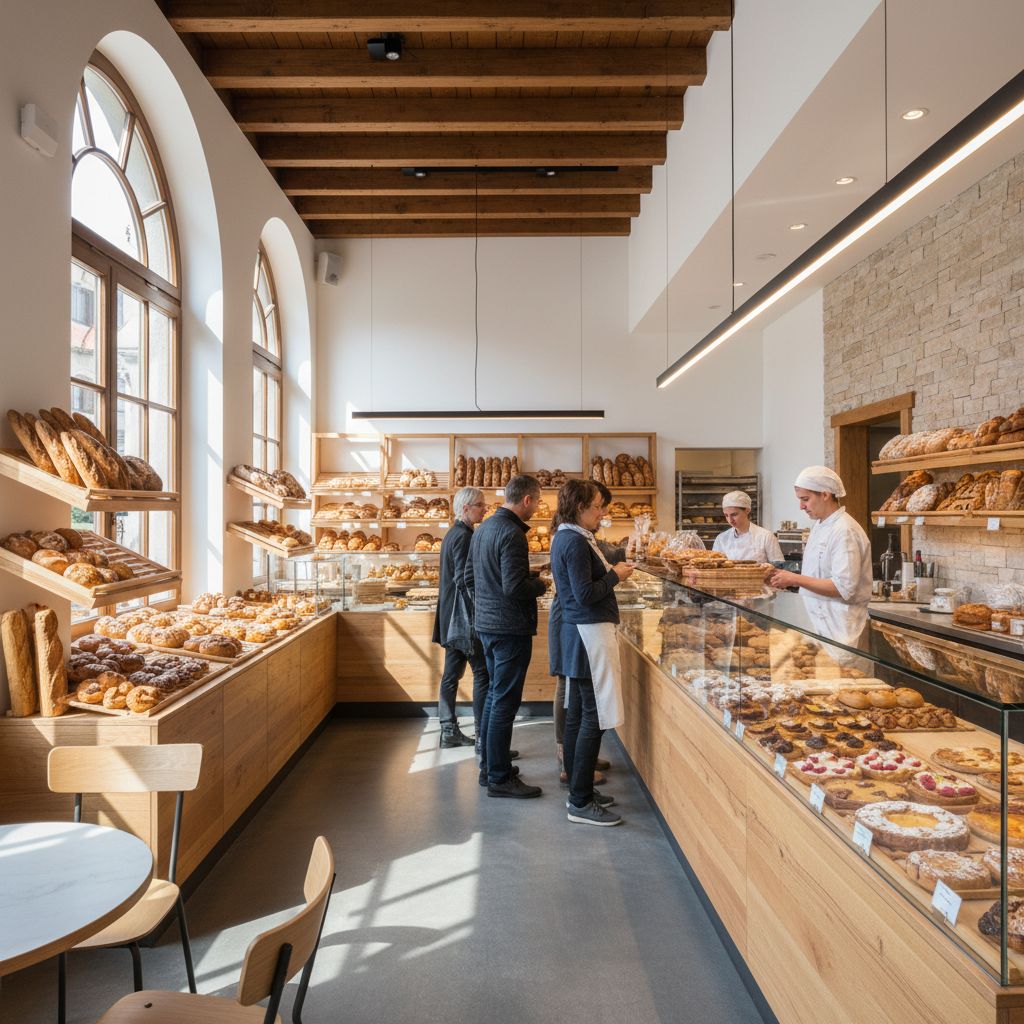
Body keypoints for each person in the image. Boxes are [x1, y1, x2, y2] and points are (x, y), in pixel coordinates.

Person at [550, 479, 634, 826]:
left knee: (579, 714)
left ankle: (580, 788)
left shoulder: (571, 537)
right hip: (587, 634)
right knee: (592, 719)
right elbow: (585, 594)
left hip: (582, 633)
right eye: (598, 506)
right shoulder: (572, 541)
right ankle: (580, 801)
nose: (603, 512)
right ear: (580, 506)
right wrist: (615, 575)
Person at [465, 475, 547, 798]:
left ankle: (490, 767)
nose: (537, 507)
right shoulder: (513, 534)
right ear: (526, 500)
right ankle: (499, 777)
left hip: (486, 625)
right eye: (537, 501)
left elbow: (471, 578)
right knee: (504, 701)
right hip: (509, 628)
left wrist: (487, 605)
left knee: (494, 697)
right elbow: (514, 587)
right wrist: (540, 584)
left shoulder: (483, 528)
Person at [767, 465, 872, 645]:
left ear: (825, 494)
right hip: (816, 627)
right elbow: (817, 575)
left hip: (841, 632)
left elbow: (842, 588)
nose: (801, 506)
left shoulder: (844, 530)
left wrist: (794, 579)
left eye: (805, 499)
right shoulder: (820, 525)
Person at [432, 486, 489, 748]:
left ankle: (448, 730)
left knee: (451, 674)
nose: (485, 509)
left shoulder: (453, 533)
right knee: (482, 673)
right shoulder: (464, 536)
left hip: (450, 614)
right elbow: (464, 579)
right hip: (463, 618)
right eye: (480, 505)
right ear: (465, 509)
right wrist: (481, 609)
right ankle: (482, 736)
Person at [713, 490, 783, 563]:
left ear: (747, 510)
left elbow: (779, 567)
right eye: (726, 515)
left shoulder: (766, 536)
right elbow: (715, 567)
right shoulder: (721, 539)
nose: (730, 520)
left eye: (734, 515)